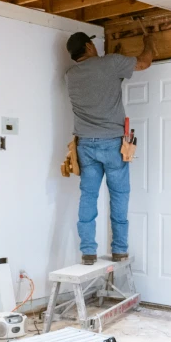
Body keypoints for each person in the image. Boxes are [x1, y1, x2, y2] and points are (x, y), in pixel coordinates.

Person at [65, 32, 153, 265]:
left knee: (88, 197)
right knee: (119, 197)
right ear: (88, 45)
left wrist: (115, 57)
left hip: (85, 145)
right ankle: (120, 250)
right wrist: (149, 42)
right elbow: (143, 62)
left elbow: (104, 80)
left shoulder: (70, 75)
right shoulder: (111, 63)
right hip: (113, 144)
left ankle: (88, 252)